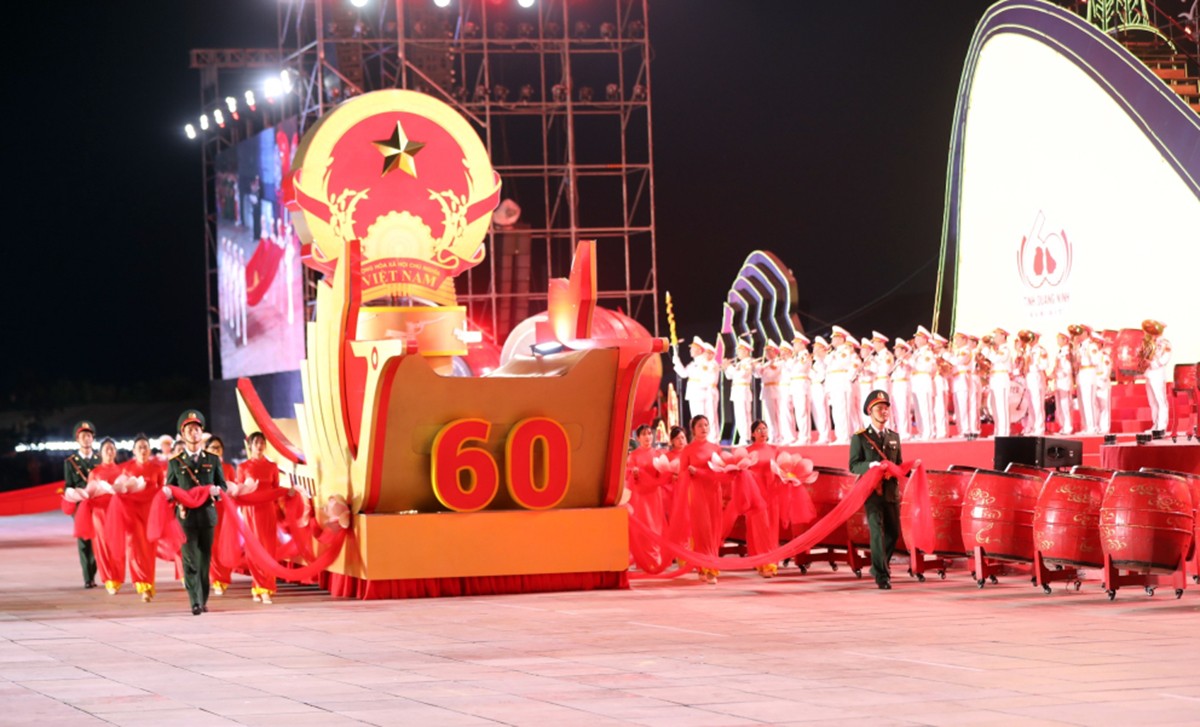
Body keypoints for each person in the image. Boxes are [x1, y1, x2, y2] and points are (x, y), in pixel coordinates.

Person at [165, 410, 228, 615]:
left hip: (207, 516)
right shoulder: (175, 462)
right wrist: (169, 496)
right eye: (190, 429)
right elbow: (171, 489)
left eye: (197, 429)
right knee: (190, 559)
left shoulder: (213, 459)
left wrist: (217, 493)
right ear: (183, 435)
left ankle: (203, 598)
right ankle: (195, 601)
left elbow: (223, 487)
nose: (194, 433)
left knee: (204, 560)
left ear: (202, 433)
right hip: (186, 517)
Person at [848, 390, 902, 590]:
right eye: (879, 408)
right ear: (870, 412)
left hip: (890, 491)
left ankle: (879, 565)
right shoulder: (861, 438)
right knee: (877, 533)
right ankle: (881, 575)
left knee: (893, 533)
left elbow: (899, 463)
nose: (884, 412)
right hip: (871, 491)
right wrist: (870, 466)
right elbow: (853, 466)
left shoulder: (894, 437)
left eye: (886, 408)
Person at [670, 415, 725, 584]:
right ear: (693, 429)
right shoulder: (688, 450)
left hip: (714, 492)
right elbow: (682, 474)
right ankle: (706, 568)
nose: (704, 428)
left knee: (714, 530)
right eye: (700, 425)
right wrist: (691, 473)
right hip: (697, 493)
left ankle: (710, 565)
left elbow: (721, 471)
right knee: (702, 530)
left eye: (706, 425)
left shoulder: (716, 448)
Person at [236, 432, 288, 604]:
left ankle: (266, 588)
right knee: (253, 550)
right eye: (256, 442)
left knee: (268, 549)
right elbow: (239, 490)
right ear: (250, 445)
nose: (259, 445)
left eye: (262, 442)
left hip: (267, 511)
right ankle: (258, 585)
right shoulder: (243, 467)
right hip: (250, 512)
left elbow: (275, 490)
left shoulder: (272, 467)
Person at [121, 434, 165, 602]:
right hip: (133, 513)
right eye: (139, 447)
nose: (143, 450)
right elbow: (123, 491)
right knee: (135, 548)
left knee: (148, 549)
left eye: (145, 447)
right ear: (134, 451)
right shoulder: (128, 469)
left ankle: (149, 582)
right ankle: (142, 585)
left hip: (151, 513)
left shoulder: (156, 469)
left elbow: (162, 491)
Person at [64, 420, 100, 588]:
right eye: (82, 436)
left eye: (89, 435)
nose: (86, 439)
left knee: (99, 539)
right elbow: (69, 486)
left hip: (99, 505)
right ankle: (88, 577)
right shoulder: (70, 462)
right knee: (84, 540)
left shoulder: (99, 459)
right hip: (81, 506)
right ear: (77, 439)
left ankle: (95, 571)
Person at [87, 437, 125, 594]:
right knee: (102, 546)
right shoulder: (95, 473)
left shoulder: (123, 471)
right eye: (106, 449)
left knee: (118, 545)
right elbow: (90, 494)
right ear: (100, 453)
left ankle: (118, 576)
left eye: (112, 448)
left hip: (117, 512)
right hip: (100, 513)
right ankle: (109, 579)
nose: (110, 451)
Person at [205, 435, 238, 596]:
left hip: (225, 512)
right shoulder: (203, 469)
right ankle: (215, 578)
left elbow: (233, 489)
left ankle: (224, 577)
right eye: (212, 448)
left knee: (225, 544)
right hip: (209, 510)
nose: (216, 451)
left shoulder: (229, 469)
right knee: (212, 545)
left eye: (218, 448)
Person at [754, 342, 787, 444]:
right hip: (767, 390)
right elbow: (757, 375)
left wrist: (763, 368)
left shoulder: (779, 362)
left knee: (780, 415)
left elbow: (772, 374)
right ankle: (773, 436)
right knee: (770, 416)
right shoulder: (765, 364)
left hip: (776, 389)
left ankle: (781, 436)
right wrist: (755, 367)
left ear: (775, 352)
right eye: (766, 351)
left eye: (769, 351)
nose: (767, 353)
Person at [724, 338, 755, 445]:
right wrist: (726, 367)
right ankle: (744, 437)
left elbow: (741, 374)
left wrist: (729, 367)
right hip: (737, 391)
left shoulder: (747, 363)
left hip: (743, 391)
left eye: (740, 350)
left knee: (743, 415)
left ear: (746, 351)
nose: (737, 353)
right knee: (740, 415)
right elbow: (729, 376)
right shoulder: (739, 363)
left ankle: (746, 437)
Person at [1142, 319, 1171, 433]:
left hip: (1158, 372)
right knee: (1152, 402)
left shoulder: (1165, 343)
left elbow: (1165, 358)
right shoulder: (1149, 342)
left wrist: (1152, 363)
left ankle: (1162, 426)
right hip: (1149, 373)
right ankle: (1155, 424)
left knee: (1160, 400)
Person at [810, 337, 832, 444]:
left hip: (820, 386)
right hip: (814, 387)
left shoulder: (824, 361)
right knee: (816, 412)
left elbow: (823, 376)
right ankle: (821, 434)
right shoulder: (816, 362)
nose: (814, 350)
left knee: (822, 412)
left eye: (816, 348)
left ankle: (825, 436)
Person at [1053, 332, 1075, 435]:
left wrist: (1071, 382)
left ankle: (1068, 427)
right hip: (1059, 381)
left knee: (1065, 405)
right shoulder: (1060, 351)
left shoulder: (1067, 352)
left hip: (1064, 380)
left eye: (1059, 339)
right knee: (1060, 405)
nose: (1057, 340)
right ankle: (1063, 426)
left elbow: (1068, 368)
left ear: (1065, 340)